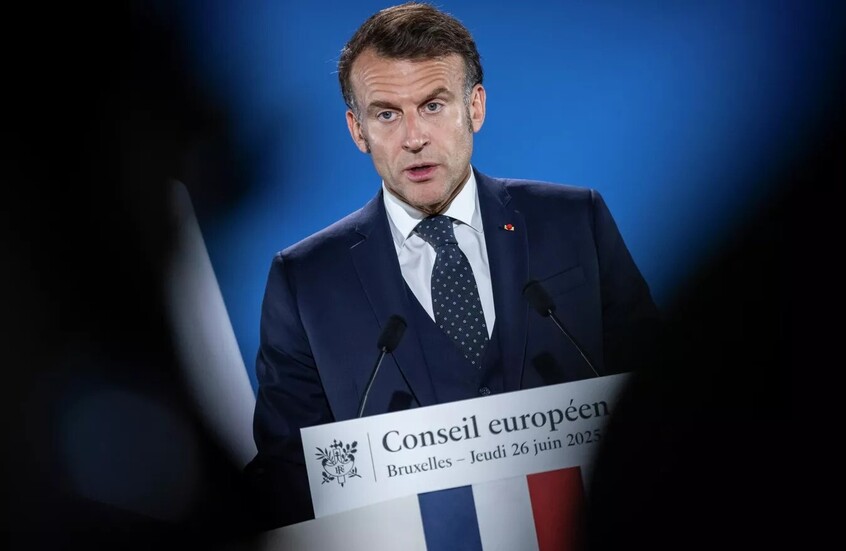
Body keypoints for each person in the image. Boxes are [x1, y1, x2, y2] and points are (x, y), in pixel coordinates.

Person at [246, 2, 659, 528]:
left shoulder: (575, 221)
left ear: (475, 108)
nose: (414, 137)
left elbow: (658, 392)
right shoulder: (306, 281)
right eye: (387, 114)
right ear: (357, 130)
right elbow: (289, 475)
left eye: (433, 105)